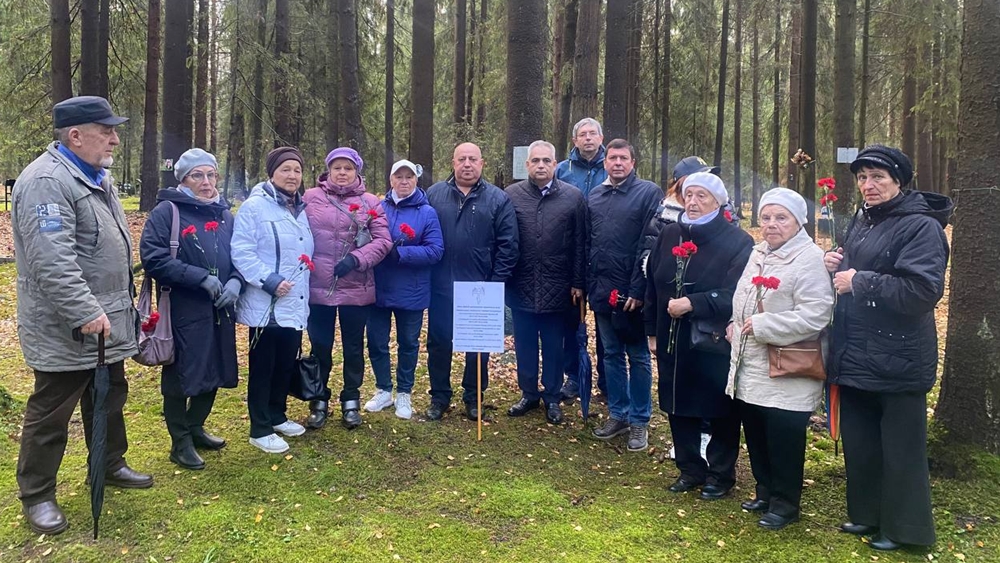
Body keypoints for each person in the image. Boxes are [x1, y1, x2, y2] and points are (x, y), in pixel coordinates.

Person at [12, 96, 152, 535]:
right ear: (76, 135)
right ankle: (36, 495)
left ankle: (108, 465)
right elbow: (51, 260)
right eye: (106, 131)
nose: (114, 139)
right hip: (68, 325)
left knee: (109, 398)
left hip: (107, 320)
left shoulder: (94, 176)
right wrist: (84, 310)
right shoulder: (46, 181)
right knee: (52, 409)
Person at [824, 144, 950, 551]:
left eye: (877, 177)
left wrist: (858, 281)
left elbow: (921, 291)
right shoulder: (864, 220)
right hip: (857, 350)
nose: (868, 185)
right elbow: (854, 270)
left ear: (899, 180)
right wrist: (836, 265)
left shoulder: (921, 227)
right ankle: (867, 515)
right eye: (862, 177)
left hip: (898, 356)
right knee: (862, 443)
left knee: (901, 452)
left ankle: (906, 531)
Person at [725, 187, 835, 530]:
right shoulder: (758, 252)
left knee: (783, 438)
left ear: (798, 221)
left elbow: (817, 314)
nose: (772, 224)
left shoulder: (809, 259)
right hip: (750, 364)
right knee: (755, 432)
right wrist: (734, 321)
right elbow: (743, 297)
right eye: (766, 217)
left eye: (781, 218)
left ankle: (786, 503)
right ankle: (764, 490)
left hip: (789, 369)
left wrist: (761, 325)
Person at [645, 172, 753, 499]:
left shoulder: (738, 241)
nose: (692, 202)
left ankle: (720, 475)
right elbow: (652, 285)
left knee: (719, 408)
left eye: (701, 196)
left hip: (712, 339)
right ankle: (690, 468)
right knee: (678, 404)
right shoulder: (669, 235)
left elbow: (737, 292)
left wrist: (695, 302)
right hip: (671, 337)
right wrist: (651, 330)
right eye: (688, 195)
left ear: (718, 203)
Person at [140, 149, 241, 470]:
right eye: (198, 175)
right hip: (183, 310)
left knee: (215, 368)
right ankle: (179, 442)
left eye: (211, 175)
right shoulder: (167, 212)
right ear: (183, 179)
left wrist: (237, 281)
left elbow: (240, 255)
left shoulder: (224, 214)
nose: (207, 182)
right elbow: (153, 258)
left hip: (221, 309)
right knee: (181, 376)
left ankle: (196, 427)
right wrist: (200, 279)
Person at [425, 142, 519, 421]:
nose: (467, 164)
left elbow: (508, 245)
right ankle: (439, 397)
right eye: (461, 159)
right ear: (453, 163)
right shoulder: (434, 194)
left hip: (479, 289)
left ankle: (474, 397)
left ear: (482, 164)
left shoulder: (498, 199)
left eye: (473, 159)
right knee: (439, 343)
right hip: (441, 286)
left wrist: (494, 284)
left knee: (477, 346)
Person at [232, 146, 314, 454]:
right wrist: (269, 280)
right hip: (265, 303)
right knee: (263, 366)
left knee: (284, 363)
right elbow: (241, 251)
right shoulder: (255, 208)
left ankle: (277, 415)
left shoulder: (299, 209)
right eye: (285, 170)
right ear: (271, 173)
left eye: (297, 170)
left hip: (294, 302)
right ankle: (259, 427)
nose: (292, 176)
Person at [303, 147, 392, 429]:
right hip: (319, 287)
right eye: (337, 167)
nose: (342, 173)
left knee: (353, 348)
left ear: (357, 172)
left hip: (357, 287)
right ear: (328, 170)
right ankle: (318, 399)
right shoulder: (310, 198)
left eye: (348, 168)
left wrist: (357, 258)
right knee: (320, 347)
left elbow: (384, 240)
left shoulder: (370, 202)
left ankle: (350, 399)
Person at [505, 141, 587, 426]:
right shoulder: (511, 196)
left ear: (556, 164)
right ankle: (529, 393)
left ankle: (552, 396)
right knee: (524, 344)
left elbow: (580, 243)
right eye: (536, 161)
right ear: (527, 165)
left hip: (558, 285)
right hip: (521, 283)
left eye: (547, 161)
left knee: (554, 345)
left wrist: (578, 282)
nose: (541, 165)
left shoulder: (573, 197)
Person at [588, 139, 662, 451]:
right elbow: (589, 243)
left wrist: (638, 289)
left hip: (632, 294)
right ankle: (618, 414)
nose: (617, 163)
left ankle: (640, 420)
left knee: (639, 357)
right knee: (611, 355)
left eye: (623, 158)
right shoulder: (595, 196)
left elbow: (650, 242)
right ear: (605, 162)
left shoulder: (648, 193)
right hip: (602, 291)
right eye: (612, 158)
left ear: (633, 162)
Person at [364, 159, 444, 420]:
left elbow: (435, 250)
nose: (404, 181)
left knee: (408, 344)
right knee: (377, 342)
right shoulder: (378, 208)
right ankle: (384, 390)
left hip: (412, 290)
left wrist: (401, 254)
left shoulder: (426, 212)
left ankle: (404, 394)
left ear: (416, 180)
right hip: (378, 288)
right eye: (399, 176)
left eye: (409, 177)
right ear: (391, 180)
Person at [556, 117, 608, 403]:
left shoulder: (611, 168)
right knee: (571, 323)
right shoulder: (563, 170)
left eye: (593, 133)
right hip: (569, 257)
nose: (588, 138)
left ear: (601, 138)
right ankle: (574, 377)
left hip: (603, 257)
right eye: (582, 134)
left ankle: (605, 379)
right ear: (574, 141)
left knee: (605, 325)